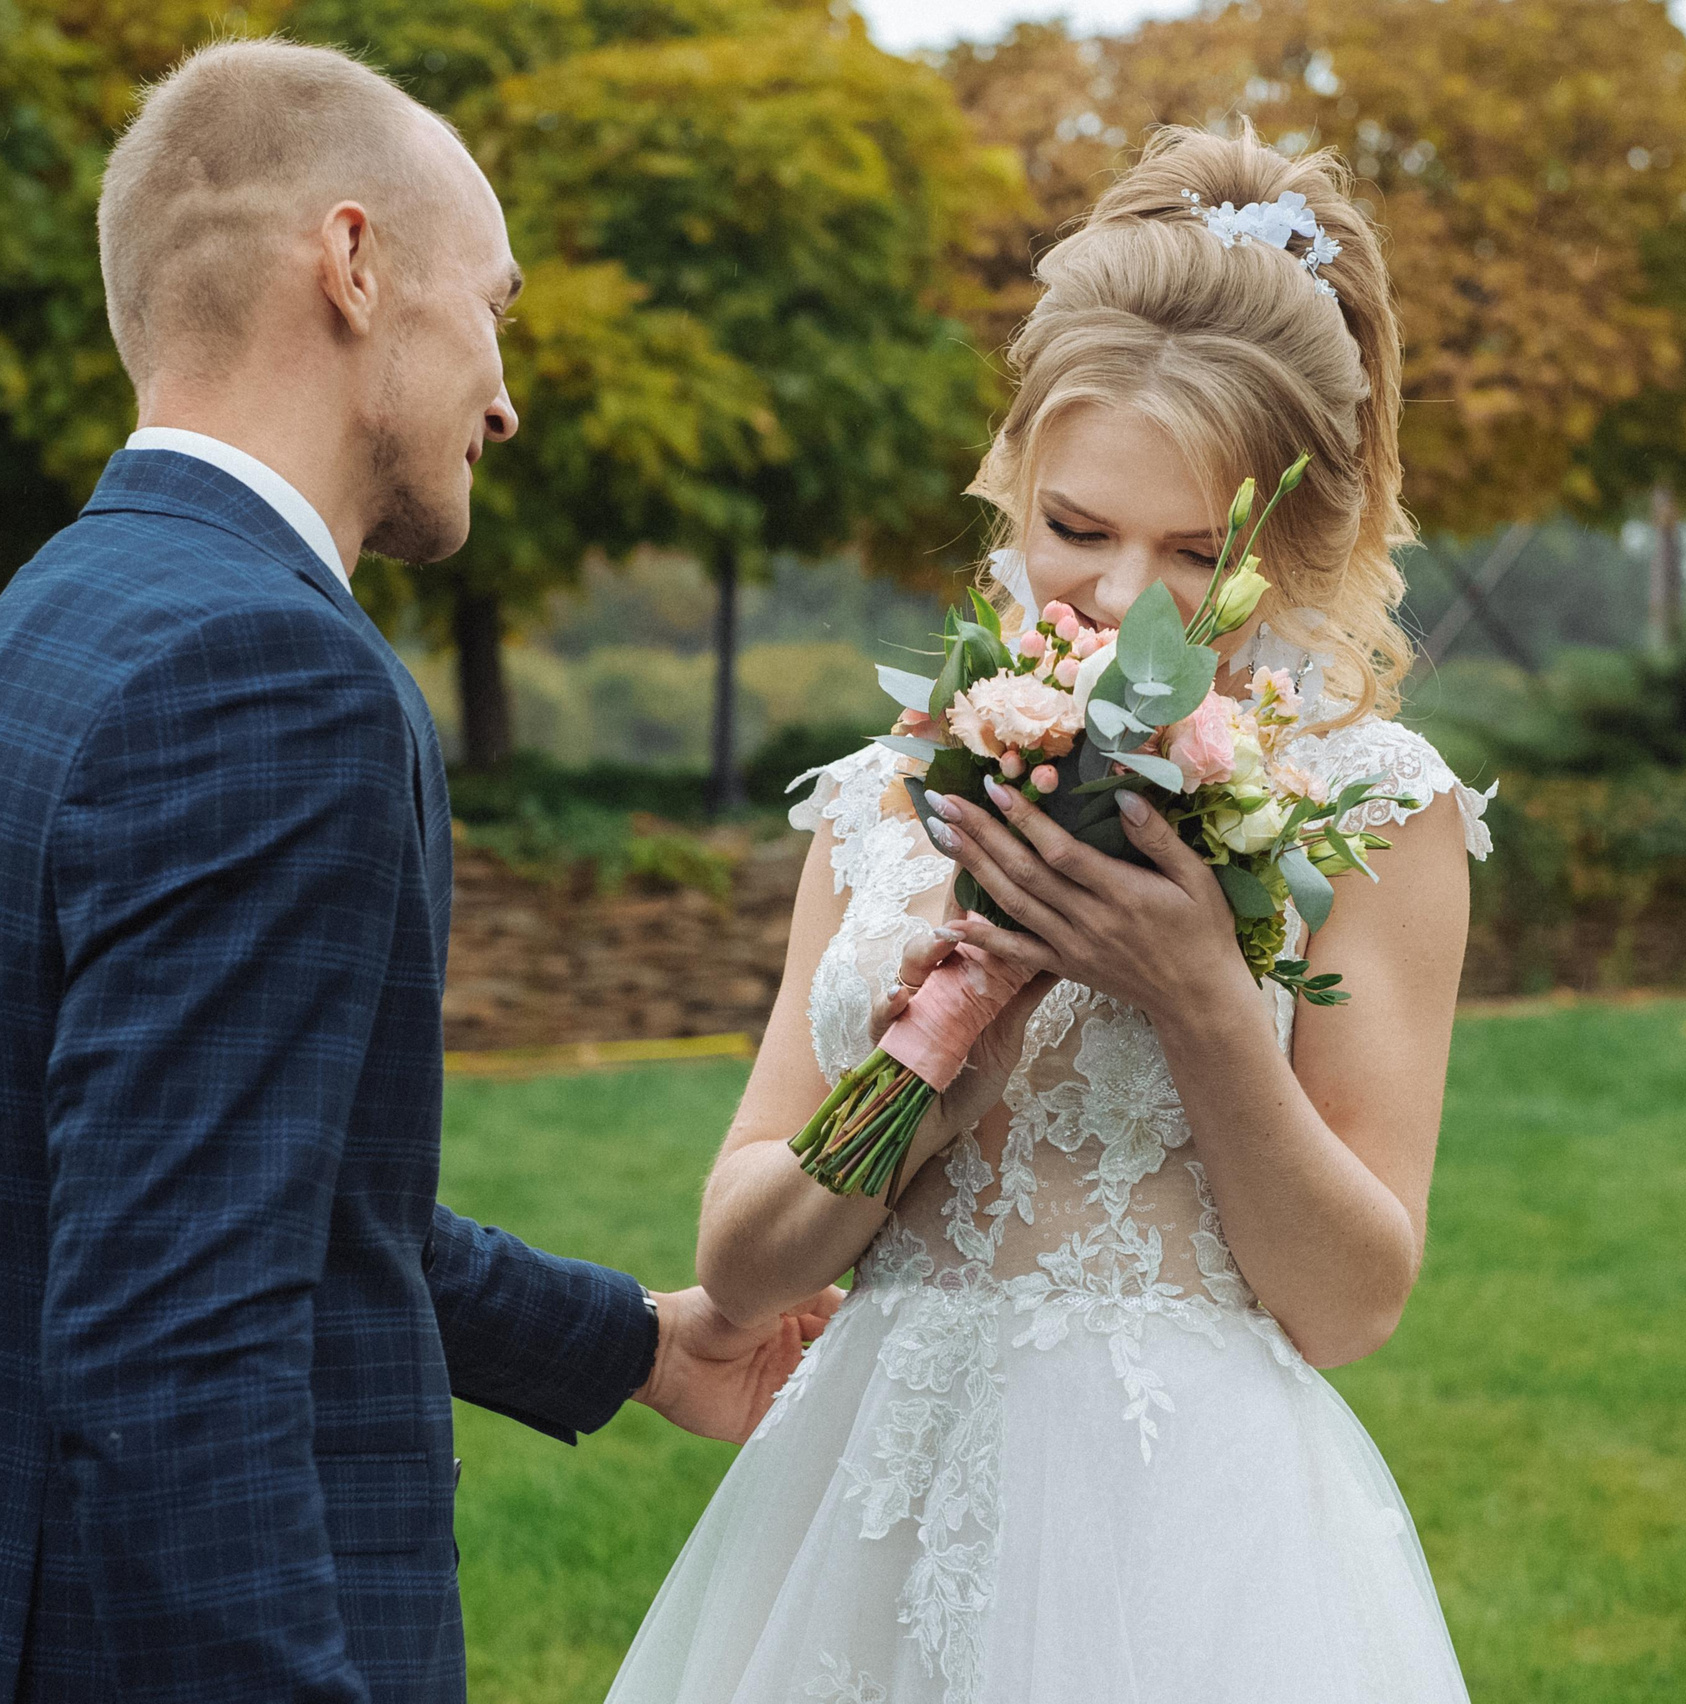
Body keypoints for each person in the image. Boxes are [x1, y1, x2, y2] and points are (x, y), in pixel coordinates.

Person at [0, 41, 832, 1704]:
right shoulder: (263, 672)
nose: (506, 396)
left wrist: (638, 1346)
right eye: (498, 308)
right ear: (355, 261)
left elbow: (229, 1196)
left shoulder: (31, 638)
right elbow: (175, 1355)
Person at [607, 128, 1491, 1703]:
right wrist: (923, 1090)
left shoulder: (1375, 808)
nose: (1120, 604)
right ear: (1014, 481)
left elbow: (1354, 1302)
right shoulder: (891, 792)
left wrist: (1205, 996)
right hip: (865, 1491)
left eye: (1199, 555)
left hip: (1187, 1534)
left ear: (1294, 544)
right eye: (1077, 528)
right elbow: (739, 1269)